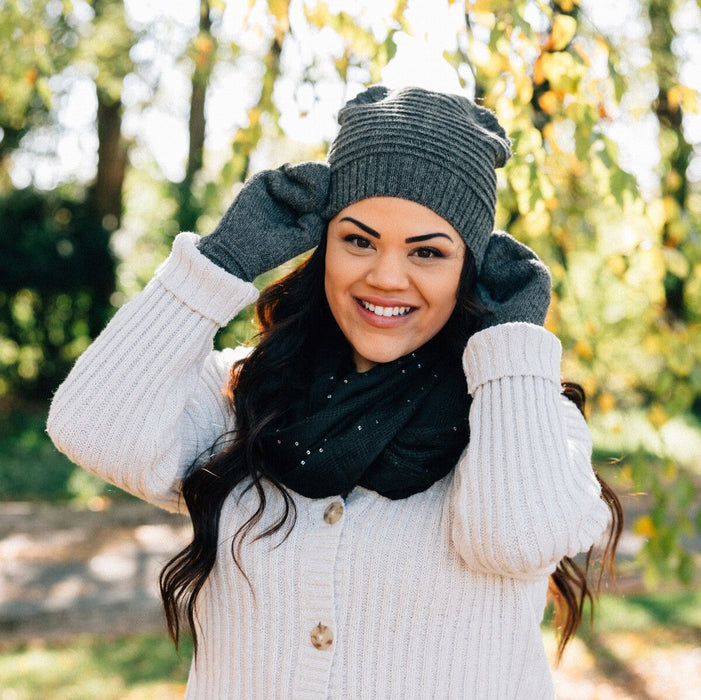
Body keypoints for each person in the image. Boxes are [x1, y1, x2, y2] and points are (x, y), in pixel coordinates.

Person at [48, 85, 621, 698]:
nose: (386, 276)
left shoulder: (525, 416)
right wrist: (220, 262)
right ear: (324, 245)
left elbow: (514, 541)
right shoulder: (244, 391)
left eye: (428, 251)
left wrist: (509, 345)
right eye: (359, 240)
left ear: (470, 269)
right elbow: (90, 428)